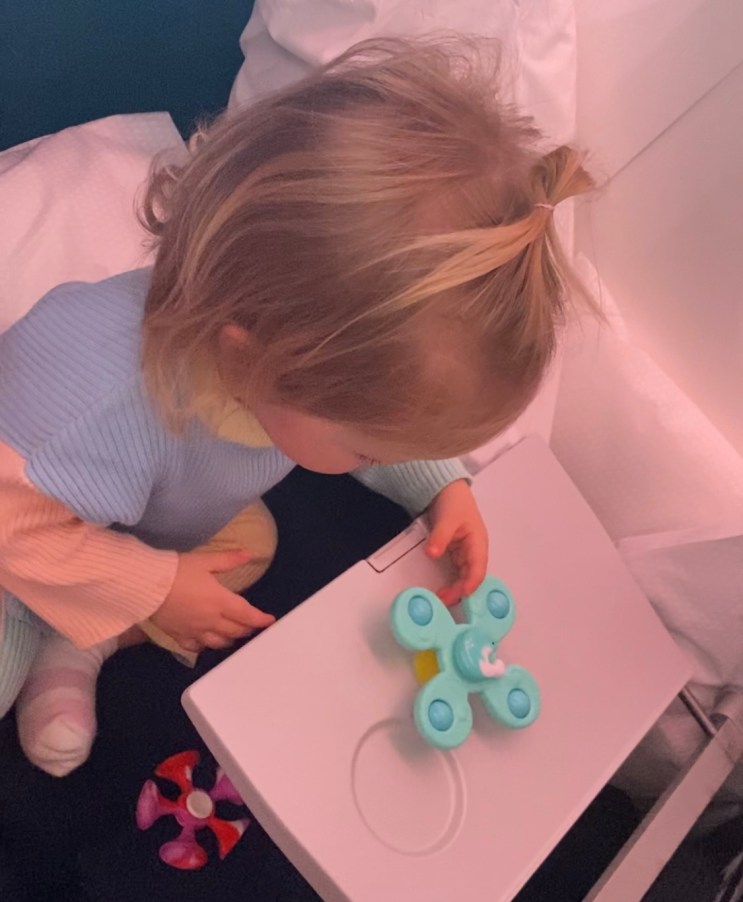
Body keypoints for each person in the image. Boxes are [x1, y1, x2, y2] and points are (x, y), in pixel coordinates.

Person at [0, 39, 592, 777]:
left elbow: (375, 410)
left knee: (250, 550)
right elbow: (15, 523)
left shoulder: (271, 355)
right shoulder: (100, 397)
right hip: (25, 530)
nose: (380, 458)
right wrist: (152, 585)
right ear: (258, 362)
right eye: (372, 451)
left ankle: (85, 639)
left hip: (140, 517)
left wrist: (440, 484)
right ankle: (72, 623)